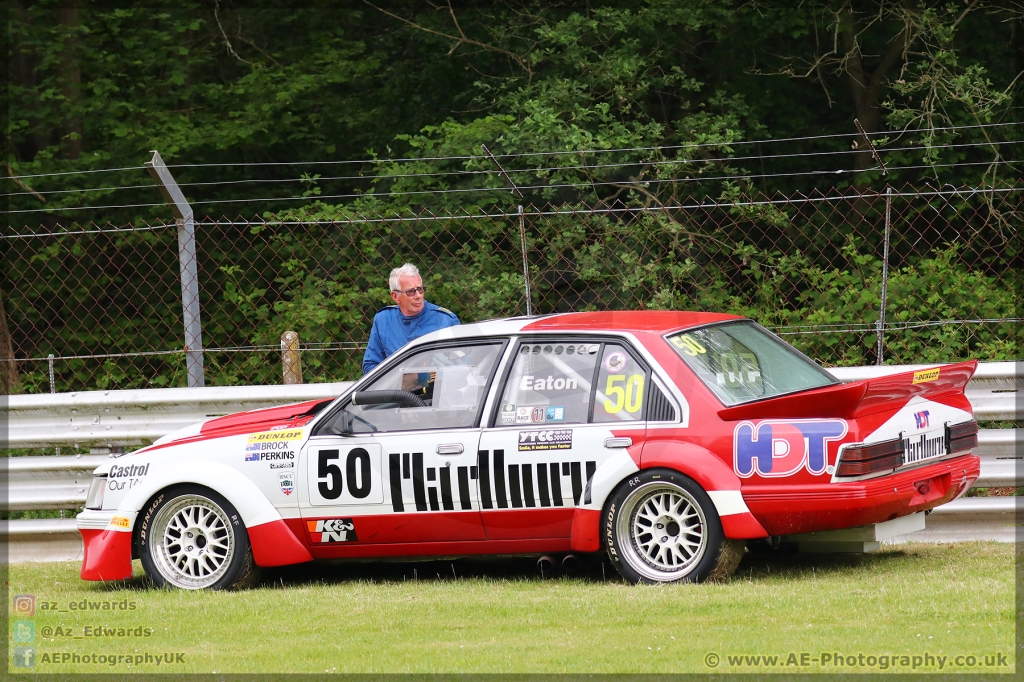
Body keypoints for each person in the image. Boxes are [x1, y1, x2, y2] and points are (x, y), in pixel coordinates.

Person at [361, 263, 460, 374]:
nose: (418, 295)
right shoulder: (383, 320)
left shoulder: (446, 321)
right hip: (394, 390)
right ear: (395, 296)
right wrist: (398, 381)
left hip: (436, 389)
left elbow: (461, 366)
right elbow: (370, 365)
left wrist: (423, 378)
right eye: (411, 292)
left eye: (420, 289)